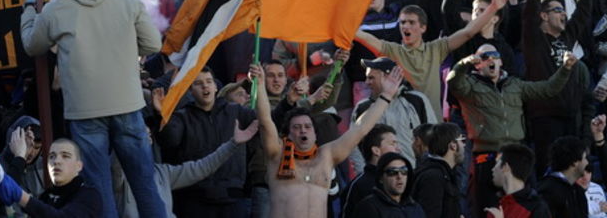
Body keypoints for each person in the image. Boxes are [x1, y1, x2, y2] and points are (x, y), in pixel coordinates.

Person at [20, 0, 166, 217]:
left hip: (84, 112)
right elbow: (153, 44)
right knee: (145, 184)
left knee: (98, 190)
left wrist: (29, 5)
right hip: (127, 104)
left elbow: (31, 44)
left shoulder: (56, 9)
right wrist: (123, 52)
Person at [252, 60, 402, 218]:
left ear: (315, 134)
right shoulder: (277, 154)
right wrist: (260, 84)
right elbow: (265, 121)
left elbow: (360, 129)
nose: (303, 130)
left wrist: (386, 96)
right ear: (287, 134)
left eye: (308, 126)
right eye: (296, 127)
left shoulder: (326, 156)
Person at [447, 46, 577, 216]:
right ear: (477, 64)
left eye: (495, 55)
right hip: (487, 159)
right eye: (484, 57)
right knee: (486, 210)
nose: (491, 59)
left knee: (528, 209)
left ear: (501, 61)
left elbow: (548, 89)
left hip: (516, 156)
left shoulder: (514, 84)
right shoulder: (469, 85)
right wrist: (465, 62)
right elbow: (453, 82)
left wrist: (566, 68)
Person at [355, 0, 510, 115]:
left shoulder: (436, 48)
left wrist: (493, 8)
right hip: (407, 127)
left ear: (423, 28)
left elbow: (468, 32)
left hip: (433, 125)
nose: (405, 26)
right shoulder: (392, 50)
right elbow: (364, 37)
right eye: (402, 22)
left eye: (411, 22)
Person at [522, 0, 595, 177]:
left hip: (570, 117)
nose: (563, 13)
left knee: (572, 176)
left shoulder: (566, 36)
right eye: (557, 10)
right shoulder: (534, 39)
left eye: (563, 10)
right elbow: (531, 4)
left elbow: (584, 9)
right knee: (549, 175)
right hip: (545, 119)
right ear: (543, 16)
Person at [156, 67, 257, 216]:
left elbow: (267, 122)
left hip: (233, 200)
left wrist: (283, 100)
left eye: (209, 81)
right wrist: (161, 114)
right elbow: (169, 140)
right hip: (195, 202)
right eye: (198, 83)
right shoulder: (182, 117)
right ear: (190, 90)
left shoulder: (235, 111)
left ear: (216, 86)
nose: (205, 86)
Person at [113, 115, 259, 217]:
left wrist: (233, 144)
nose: (146, 137)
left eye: (148, 134)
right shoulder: (120, 176)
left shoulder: (163, 172)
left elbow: (202, 168)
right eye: (140, 135)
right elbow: (117, 162)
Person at [350, 59, 437, 172]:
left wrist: (426, 171)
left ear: (387, 77)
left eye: (371, 78)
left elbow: (433, 137)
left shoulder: (417, 100)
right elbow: (353, 145)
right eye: (367, 78)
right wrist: (366, 174)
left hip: (415, 173)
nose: (367, 82)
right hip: (379, 177)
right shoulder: (363, 107)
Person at [0, 138, 102, 217]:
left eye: (65, 156)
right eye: (52, 156)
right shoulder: (45, 197)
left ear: (79, 166)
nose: (56, 161)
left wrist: (22, 196)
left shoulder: (89, 195)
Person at [342, 124, 400, 217]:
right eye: (392, 144)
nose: (398, 149)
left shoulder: (401, 179)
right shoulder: (359, 186)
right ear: (376, 150)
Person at [411, 123, 464, 218]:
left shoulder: (445, 173)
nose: (464, 145)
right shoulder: (433, 177)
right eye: (462, 140)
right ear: (453, 145)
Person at [352, 152, 426, 218]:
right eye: (392, 172)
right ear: (381, 178)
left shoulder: (415, 207)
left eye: (404, 171)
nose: (399, 176)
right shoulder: (368, 207)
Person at [485, 143, 550, 218]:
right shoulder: (496, 202)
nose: (493, 169)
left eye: (497, 163)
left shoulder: (537, 208)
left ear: (505, 167)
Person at [0, 116, 45, 217]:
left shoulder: (44, 165)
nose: (31, 152)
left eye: (37, 147)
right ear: (14, 141)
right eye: (27, 144)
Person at [536, 136, 589, 218]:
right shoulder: (547, 192)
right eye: (584, 158)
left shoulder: (578, 191)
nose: (587, 162)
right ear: (575, 162)